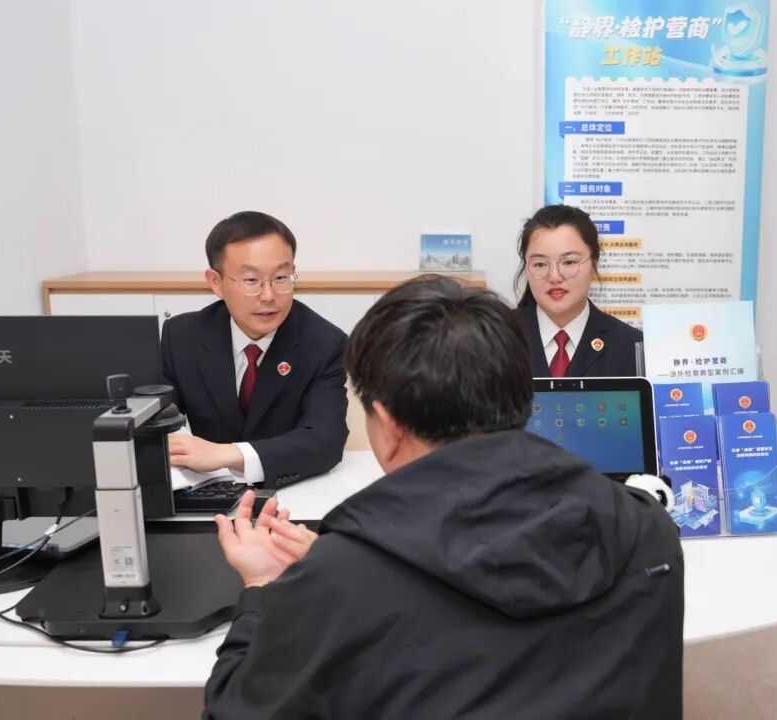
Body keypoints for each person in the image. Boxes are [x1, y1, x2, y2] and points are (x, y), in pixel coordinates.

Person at [204, 275, 684, 719]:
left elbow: (233, 712)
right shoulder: (646, 530)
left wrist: (265, 588)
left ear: (387, 425)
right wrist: (348, 565)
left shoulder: (345, 579)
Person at [161, 211, 347, 489]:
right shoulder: (182, 337)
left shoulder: (323, 343)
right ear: (216, 282)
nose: (269, 295)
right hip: (208, 492)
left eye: (281, 277)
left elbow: (325, 440)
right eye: (251, 280)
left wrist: (229, 454)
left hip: (294, 492)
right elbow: (159, 423)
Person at [515, 204, 643, 377]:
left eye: (569, 262)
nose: (554, 277)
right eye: (540, 264)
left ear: (594, 263)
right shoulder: (497, 339)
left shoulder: (631, 346)